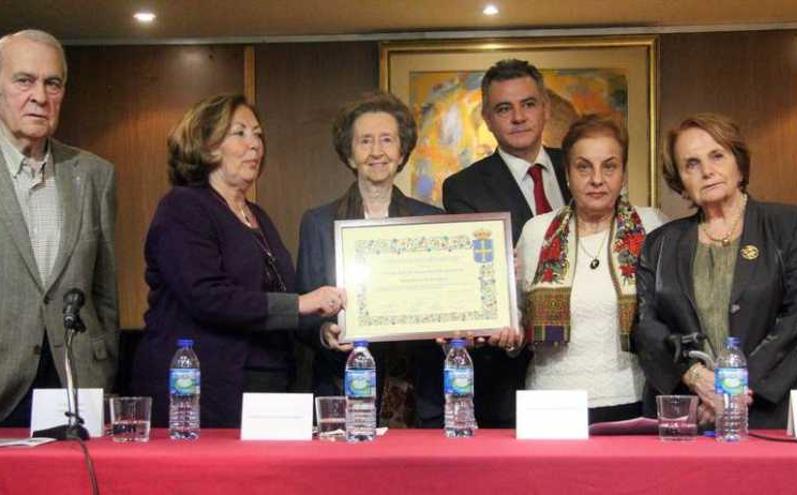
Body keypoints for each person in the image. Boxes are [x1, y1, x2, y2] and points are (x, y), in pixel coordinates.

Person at [130, 94, 343, 427]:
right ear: (207, 144)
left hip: (271, 384)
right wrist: (302, 303)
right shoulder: (183, 207)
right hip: (204, 391)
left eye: (258, 134)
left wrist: (321, 329)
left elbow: (281, 297)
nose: (255, 144)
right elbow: (207, 296)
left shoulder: (257, 216)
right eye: (240, 133)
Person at [636, 113, 797, 429]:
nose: (707, 171)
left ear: (738, 163)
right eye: (691, 164)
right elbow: (645, 326)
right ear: (680, 180)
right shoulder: (660, 244)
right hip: (691, 410)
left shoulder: (789, 226)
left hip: (768, 409)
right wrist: (696, 378)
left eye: (717, 156)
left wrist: (729, 392)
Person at [493, 114, 666, 423]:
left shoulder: (653, 226)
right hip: (549, 403)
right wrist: (506, 332)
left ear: (623, 174)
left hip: (632, 401)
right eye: (583, 167)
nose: (596, 179)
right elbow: (514, 314)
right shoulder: (536, 232)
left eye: (609, 166)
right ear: (568, 175)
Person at [296, 92, 445, 427]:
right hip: (341, 387)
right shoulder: (318, 223)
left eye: (387, 140)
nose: (377, 152)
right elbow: (302, 314)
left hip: (419, 396)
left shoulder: (431, 221)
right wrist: (325, 333)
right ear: (350, 154)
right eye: (365, 141)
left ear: (401, 151)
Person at [442, 58, 571, 428]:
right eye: (504, 108)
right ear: (487, 117)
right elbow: (476, 278)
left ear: (545, 108)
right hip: (506, 365)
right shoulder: (464, 187)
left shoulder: (578, 167)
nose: (518, 117)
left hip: (581, 359)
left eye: (528, 104)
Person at [0, 30, 118, 427]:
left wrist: (103, 367)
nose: (40, 95)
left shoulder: (94, 174)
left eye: (53, 83)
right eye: (23, 80)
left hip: (75, 385)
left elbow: (105, 295)